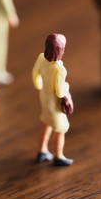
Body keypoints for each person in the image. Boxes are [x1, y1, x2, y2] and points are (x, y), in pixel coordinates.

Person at [32, 33, 74, 166]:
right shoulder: (59, 69)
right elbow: (60, 92)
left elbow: (35, 74)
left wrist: (39, 86)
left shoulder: (41, 58)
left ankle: (42, 151)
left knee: (47, 122)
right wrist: (67, 86)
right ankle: (58, 156)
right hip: (54, 102)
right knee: (61, 129)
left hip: (44, 96)